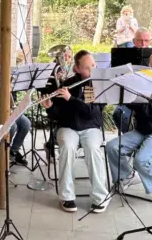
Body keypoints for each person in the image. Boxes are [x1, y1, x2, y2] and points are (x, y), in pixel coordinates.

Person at [106, 49, 152, 204]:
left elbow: (150, 112)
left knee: (141, 160)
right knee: (112, 147)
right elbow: (139, 109)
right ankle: (127, 177)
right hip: (142, 130)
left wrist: (133, 98)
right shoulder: (148, 84)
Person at [41, 50, 109, 213]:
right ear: (77, 69)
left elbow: (91, 112)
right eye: (87, 67)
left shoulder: (94, 85)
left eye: (93, 65)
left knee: (93, 149)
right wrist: (50, 107)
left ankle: (100, 196)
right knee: (68, 147)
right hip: (68, 127)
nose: (92, 70)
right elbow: (57, 116)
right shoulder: (67, 85)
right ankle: (67, 196)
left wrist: (70, 99)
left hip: (90, 127)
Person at [0, 44, 30, 165]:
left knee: (26, 123)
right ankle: (3, 156)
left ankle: (13, 152)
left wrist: (12, 86)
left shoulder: (8, 73)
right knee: (12, 126)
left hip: (8, 109)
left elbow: (12, 97)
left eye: (1, 59)